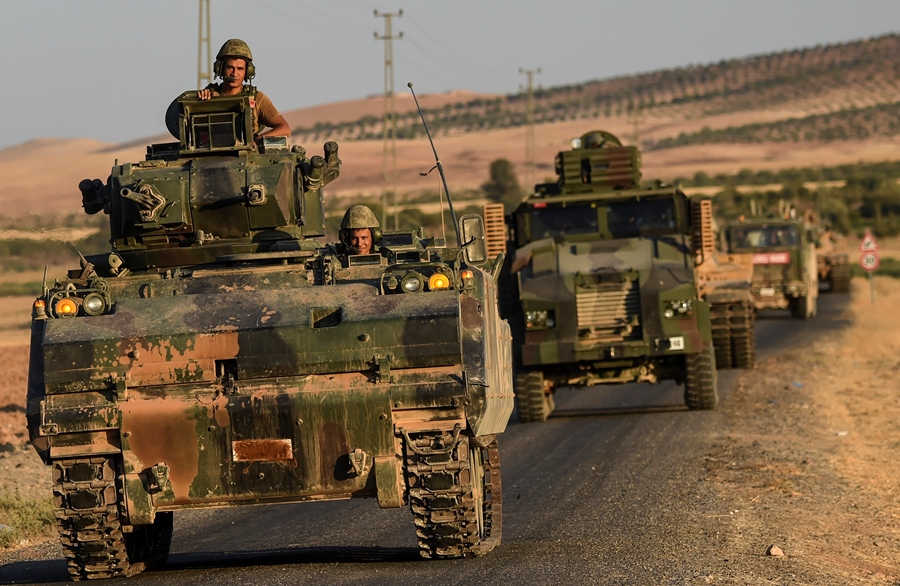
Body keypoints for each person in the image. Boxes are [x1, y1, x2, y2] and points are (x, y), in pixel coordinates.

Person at [198, 39, 291, 140]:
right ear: (220, 68)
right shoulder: (209, 96)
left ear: (248, 72)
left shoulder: (257, 99)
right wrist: (200, 101)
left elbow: (285, 128)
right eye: (230, 67)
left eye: (240, 69)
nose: (234, 74)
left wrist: (258, 140)